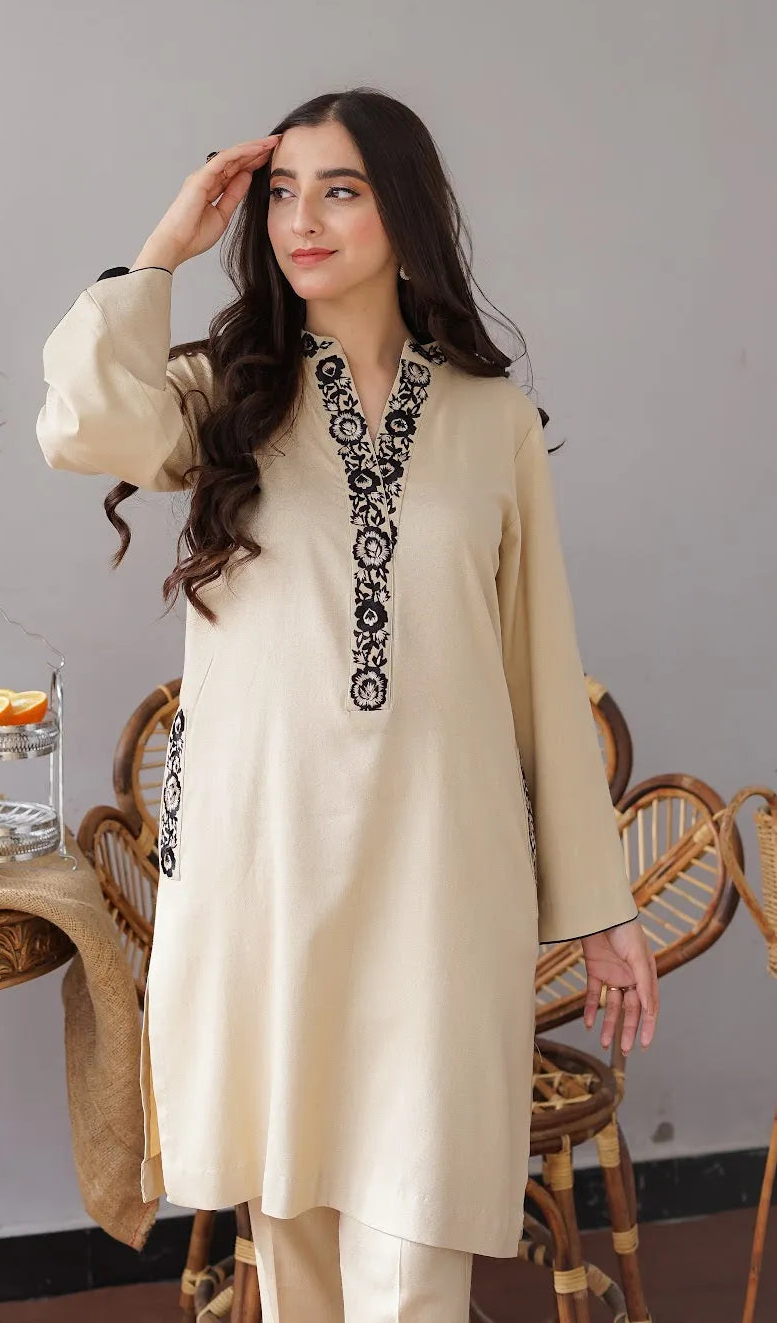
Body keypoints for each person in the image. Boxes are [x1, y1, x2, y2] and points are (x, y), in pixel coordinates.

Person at [35, 87, 660, 1323]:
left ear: (403, 210)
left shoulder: (491, 422)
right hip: (265, 869)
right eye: (279, 193)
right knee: (291, 1227)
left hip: (437, 878)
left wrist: (600, 908)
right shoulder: (226, 396)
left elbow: (539, 673)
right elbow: (77, 421)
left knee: (415, 1221)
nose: (301, 220)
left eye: (339, 190)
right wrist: (165, 242)